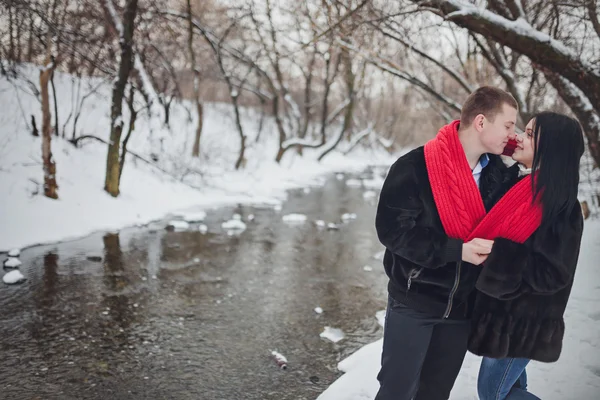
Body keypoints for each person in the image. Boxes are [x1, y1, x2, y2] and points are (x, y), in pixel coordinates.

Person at [374, 86, 520, 400]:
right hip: (414, 302)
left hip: (462, 310)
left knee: (435, 393)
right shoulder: (415, 167)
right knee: (396, 392)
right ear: (481, 123)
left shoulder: (499, 175)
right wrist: (457, 251)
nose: (513, 134)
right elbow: (392, 231)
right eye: (508, 126)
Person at [469, 112, 586, 400]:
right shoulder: (518, 184)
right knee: (510, 389)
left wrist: (499, 253)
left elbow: (553, 273)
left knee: (492, 394)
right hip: (503, 315)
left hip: (524, 321)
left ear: (551, 147)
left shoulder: (561, 207)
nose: (519, 136)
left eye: (531, 133)